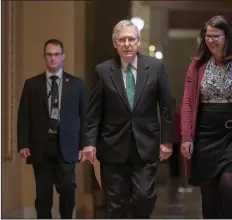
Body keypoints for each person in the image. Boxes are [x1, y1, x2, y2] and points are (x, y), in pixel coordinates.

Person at [82, 20, 174, 218]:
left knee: (144, 198)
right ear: (115, 43)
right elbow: (93, 112)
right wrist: (89, 143)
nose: (127, 44)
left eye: (131, 39)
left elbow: (166, 107)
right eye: (122, 40)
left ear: (138, 41)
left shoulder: (155, 67)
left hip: (145, 145)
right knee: (116, 205)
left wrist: (166, 141)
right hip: (112, 147)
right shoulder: (103, 71)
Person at [180, 15, 232, 218]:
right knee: (209, 195)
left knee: (230, 184)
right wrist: (186, 136)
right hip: (205, 134)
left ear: (227, 36)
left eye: (215, 36)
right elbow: (188, 103)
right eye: (207, 36)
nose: (210, 40)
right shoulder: (197, 65)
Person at [17, 39, 87, 219]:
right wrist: (23, 144)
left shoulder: (76, 85)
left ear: (63, 56)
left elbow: (86, 117)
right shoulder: (32, 85)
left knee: (67, 189)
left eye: (56, 54)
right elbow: (24, 116)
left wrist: (84, 146)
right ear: (44, 57)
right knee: (43, 195)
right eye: (49, 55)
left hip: (67, 146)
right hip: (41, 146)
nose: (53, 58)